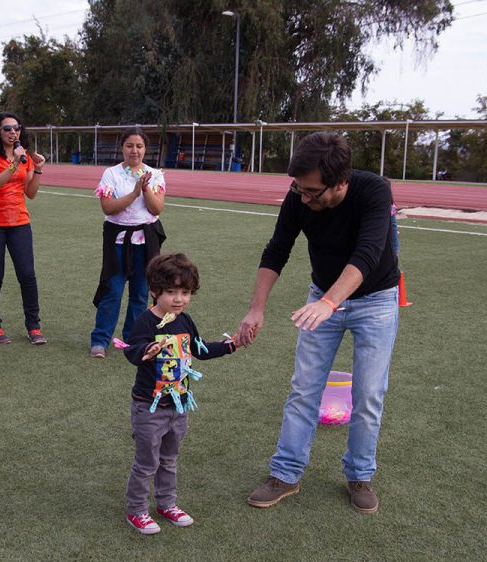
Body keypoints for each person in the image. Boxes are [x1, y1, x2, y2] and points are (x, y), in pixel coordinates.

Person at [237, 131, 399, 514]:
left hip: (375, 301)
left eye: (312, 192)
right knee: (304, 389)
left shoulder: (374, 191)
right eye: (299, 190)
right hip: (323, 298)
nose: (304, 199)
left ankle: (359, 475)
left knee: (369, 393)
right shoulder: (298, 196)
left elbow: (369, 252)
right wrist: (256, 307)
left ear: (340, 182)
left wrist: (330, 302)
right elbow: (277, 248)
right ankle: (286, 473)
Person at [122, 253, 237, 534]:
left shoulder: (185, 321)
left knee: (169, 459)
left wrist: (231, 345)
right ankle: (137, 510)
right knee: (147, 462)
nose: (178, 299)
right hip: (149, 407)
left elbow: (200, 350)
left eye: (185, 293)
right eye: (171, 292)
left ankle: (166, 503)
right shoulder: (145, 322)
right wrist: (145, 352)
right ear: (154, 291)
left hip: (179, 405)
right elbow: (132, 350)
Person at [90, 127, 166, 358]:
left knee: (141, 293)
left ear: (145, 149)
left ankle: (134, 340)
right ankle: (100, 340)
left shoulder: (155, 175)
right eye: (130, 145)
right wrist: (134, 193)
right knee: (112, 290)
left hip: (146, 241)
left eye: (140, 146)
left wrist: (145, 188)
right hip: (118, 241)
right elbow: (108, 207)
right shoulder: (111, 174)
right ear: (122, 147)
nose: (135, 150)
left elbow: (156, 208)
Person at [0, 113, 48, 345]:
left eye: (16, 128)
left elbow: (31, 193)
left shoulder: (23, 154)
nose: (12, 132)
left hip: (19, 223)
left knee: (27, 275)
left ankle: (33, 327)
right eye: (7, 129)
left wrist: (37, 169)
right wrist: (14, 162)